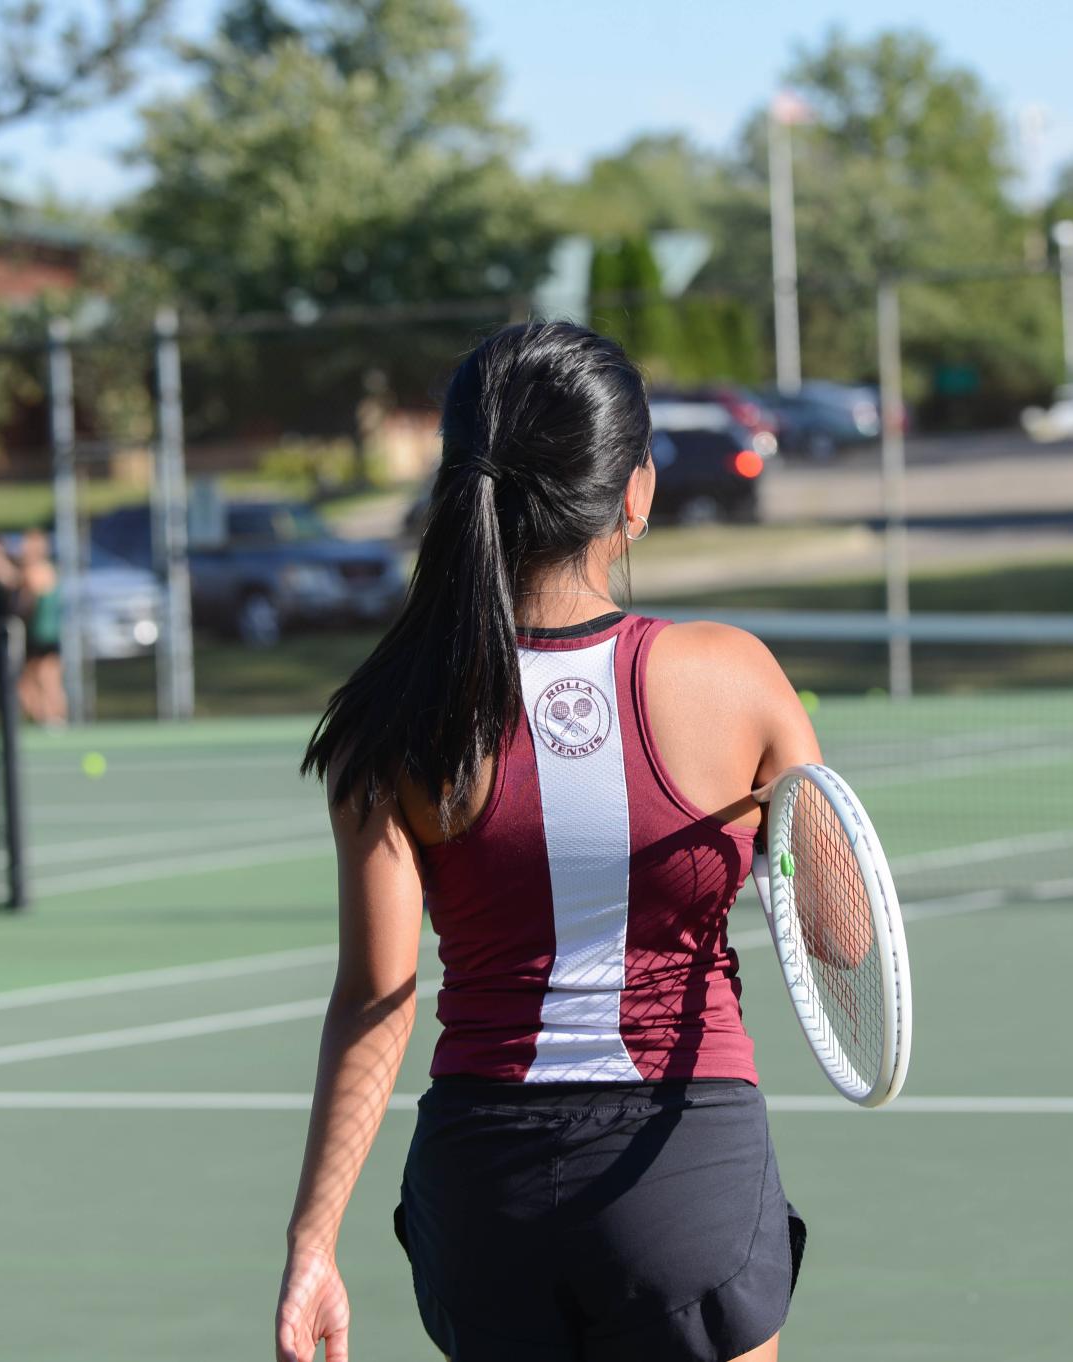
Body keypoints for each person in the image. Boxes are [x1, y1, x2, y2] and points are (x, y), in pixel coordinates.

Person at [278, 322, 820, 1362]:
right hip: (681, 1170)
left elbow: (373, 1000)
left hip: (484, 1192)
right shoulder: (735, 678)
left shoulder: (392, 715)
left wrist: (313, 1244)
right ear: (637, 494)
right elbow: (842, 941)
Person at [14, 528, 65, 727]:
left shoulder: (34, 571)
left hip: (41, 634)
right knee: (32, 680)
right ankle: (46, 717)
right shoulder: (46, 569)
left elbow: (24, 604)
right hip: (41, 634)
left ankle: (52, 717)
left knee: (45, 678)